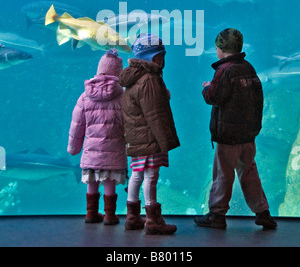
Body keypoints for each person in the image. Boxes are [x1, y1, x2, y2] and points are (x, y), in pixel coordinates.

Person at [195, 28, 277, 230]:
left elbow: (215, 97)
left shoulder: (224, 71)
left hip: (228, 137)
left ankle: (217, 214)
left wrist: (206, 88)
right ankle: (263, 212)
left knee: (223, 174)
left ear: (219, 49)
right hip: (248, 135)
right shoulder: (249, 68)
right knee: (249, 173)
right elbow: (258, 98)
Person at [119, 34, 180, 235]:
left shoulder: (133, 79)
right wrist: (164, 142)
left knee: (136, 174)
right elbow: (155, 114)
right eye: (158, 56)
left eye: (162, 55)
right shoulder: (150, 79)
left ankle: (132, 217)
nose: (162, 60)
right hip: (150, 137)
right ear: (148, 58)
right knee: (151, 176)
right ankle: (153, 220)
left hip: (137, 138)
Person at [67, 49, 127, 225]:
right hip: (114, 151)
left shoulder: (85, 96)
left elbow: (76, 125)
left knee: (92, 181)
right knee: (109, 181)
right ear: (119, 73)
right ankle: (110, 216)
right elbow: (130, 123)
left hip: (91, 152)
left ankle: (91, 213)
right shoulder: (123, 96)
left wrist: (73, 148)